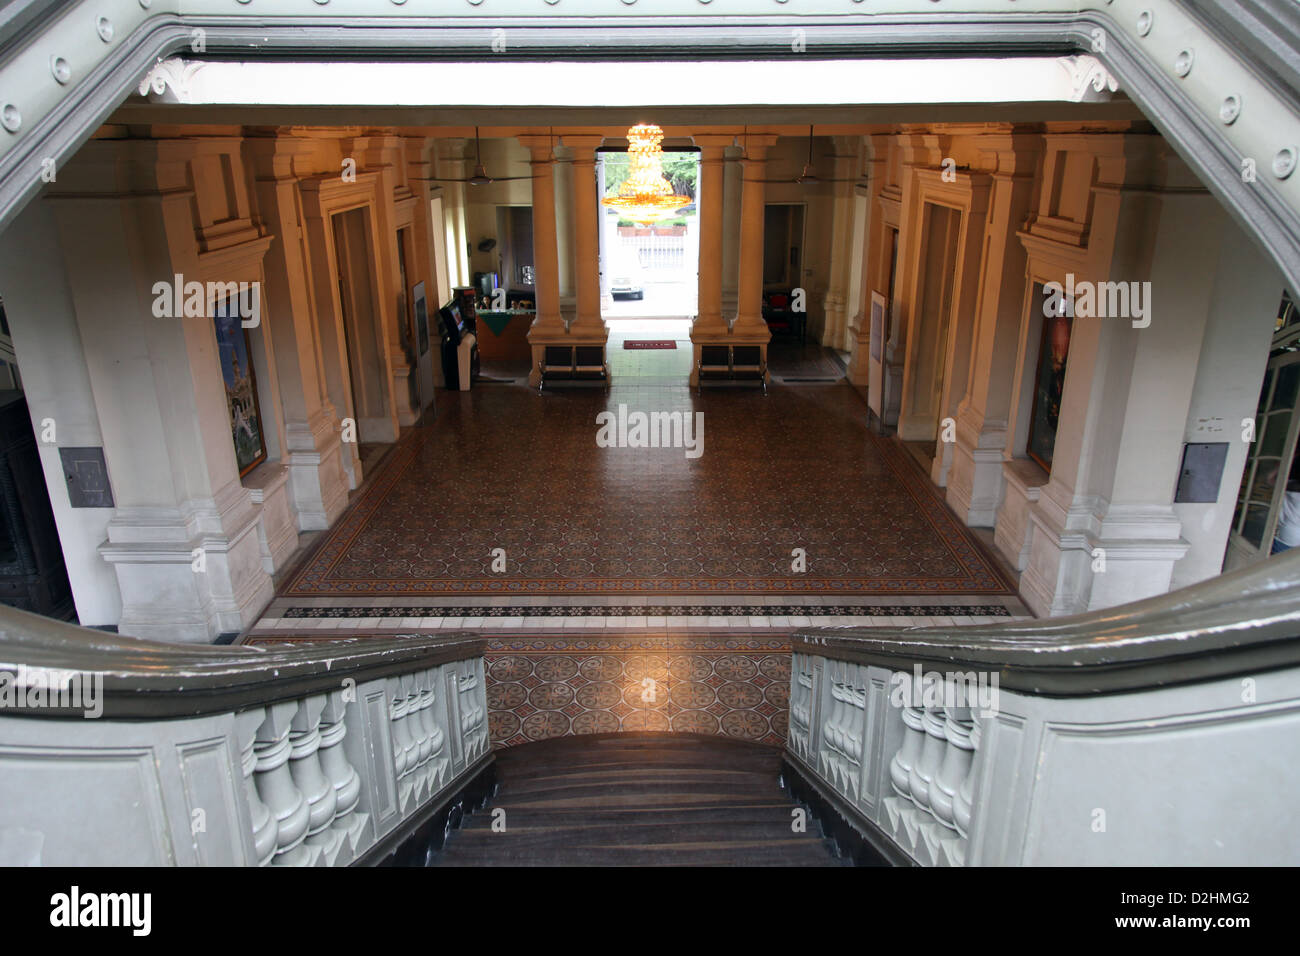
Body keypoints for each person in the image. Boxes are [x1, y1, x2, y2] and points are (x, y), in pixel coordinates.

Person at [1271, 457, 1300, 554]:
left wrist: (1280, 465)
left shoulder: (1286, 486)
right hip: (1294, 539)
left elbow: (1270, 479)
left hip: (1281, 533)